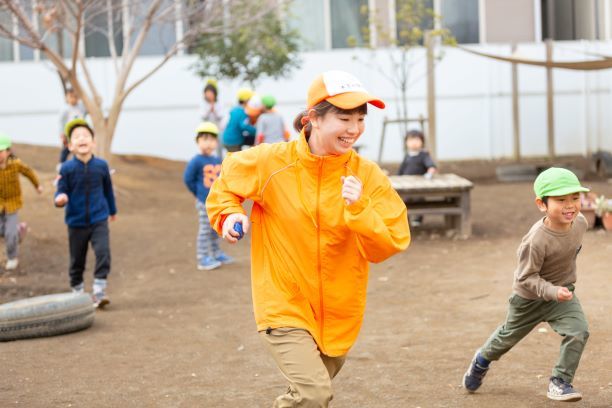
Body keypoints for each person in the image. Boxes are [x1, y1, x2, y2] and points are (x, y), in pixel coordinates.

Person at [206, 70, 411, 406]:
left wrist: (359, 208)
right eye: (344, 118)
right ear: (313, 118)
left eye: (360, 119)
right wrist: (229, 214)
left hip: (339, 312)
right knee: (314, 393)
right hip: (283, 303)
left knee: (305, 399)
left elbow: (391, 241)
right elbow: (226, 183)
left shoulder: (367, 176)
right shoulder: (271, 162)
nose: (354, 129)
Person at [463, 167, 591, 402]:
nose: (570, 205)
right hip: (528, 300)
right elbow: (525, 277)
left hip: (562, 295)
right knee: (506, 338)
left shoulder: (580, 223)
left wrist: (560, 289)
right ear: (542, 204)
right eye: (561, 200)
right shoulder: (536, 240)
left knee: (578, 332)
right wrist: (551, 290)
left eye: (575, 198)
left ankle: (560, 381)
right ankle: (481, 360)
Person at [54, 118, 117, 308]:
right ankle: (78, 291)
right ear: (70, 146)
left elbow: (108, 190)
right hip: (76, 221)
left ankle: (99, 290)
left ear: (93, 142)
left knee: (103, 252)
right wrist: (60, 199)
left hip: (99, 218)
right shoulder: (67, 168)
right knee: (77, 259)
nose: (82, 138)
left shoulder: (101, 166)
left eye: (85, 135)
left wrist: (112, 210)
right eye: (76, 136)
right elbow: (60, 190)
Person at [183, 121, 233, 271]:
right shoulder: (196, 161)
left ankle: (216, 253)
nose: (208, 143)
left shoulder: (217, 160)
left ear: (216, 142)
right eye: (204, 139)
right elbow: (188, 179)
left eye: (211, 139)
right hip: (204, 202)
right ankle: (202, 258)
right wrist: (198, 194)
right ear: (198, 141)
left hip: (216, 203)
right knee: (205, 230)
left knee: (215, 229)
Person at [0, 133, 43, 271]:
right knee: (5, 231)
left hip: (13, 203)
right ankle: (19, 231)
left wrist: (37, 185)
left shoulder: (15, 164)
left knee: (9, 234)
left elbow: (28, 172)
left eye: (1, 151)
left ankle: (12, 257)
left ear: (8, 151)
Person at [397, 129, 437, 227]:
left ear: (422, 142)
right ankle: (405, 219)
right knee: (404, 201)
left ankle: (418, 219)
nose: (414, 143)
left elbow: (431, 166)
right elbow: (401, 169)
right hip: (406, 184)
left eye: (417, 140)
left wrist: (430, 172)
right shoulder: (407, 156)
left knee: (419, 200)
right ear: (406, 142)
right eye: (411, 140)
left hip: (418, 184)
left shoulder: (424, 155)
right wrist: (397, 177)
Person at [58, 87, 87, 167]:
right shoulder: (65, 109)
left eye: (75, 97)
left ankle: (78, 165)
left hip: (80, 133)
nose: (73, 99)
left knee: (78, 150)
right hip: (68, 134)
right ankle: (61, 165)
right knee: (66, 150)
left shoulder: (81, 107)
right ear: (66, 98)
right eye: (71, 97)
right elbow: (61, 123)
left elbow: (87, 111)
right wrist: (62, 135)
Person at [221, 88, 256, 152]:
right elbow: (244, 126)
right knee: (236, 157)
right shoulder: (242, 111)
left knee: (251, 139)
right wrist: (256, 131)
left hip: (226, 138)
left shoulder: (234, 109)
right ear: (246, 101)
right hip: (233, 141)